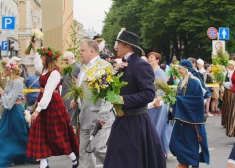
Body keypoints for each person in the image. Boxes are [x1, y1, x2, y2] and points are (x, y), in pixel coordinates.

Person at [104, 30, 166, 168]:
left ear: (127, 46)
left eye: (118, 44)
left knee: (132, 161)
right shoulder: (122, 65)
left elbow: (149, 94)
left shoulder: (140, 65)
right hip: (122, 121)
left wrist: (122, 99)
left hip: (136, 124)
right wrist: (113, 72)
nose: (116, 47)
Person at [26, 45, 79, 168]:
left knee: (57, 134)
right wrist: (35, 48)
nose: (41, 57)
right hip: (42, 102)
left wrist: (37, 111)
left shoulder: (54, 72)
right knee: (42, 134)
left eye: (43, 56)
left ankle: (73, 158)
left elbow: (48, 93)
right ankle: (44, 164)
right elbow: (37, 63)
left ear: (48, 58)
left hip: (52, 104)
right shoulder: (44, 70)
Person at [70, 40, 114, 168]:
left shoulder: (104, 66)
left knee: (98, 148)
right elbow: (82, 89)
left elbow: (109, 94)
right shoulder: (83, 68)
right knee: (84, 152)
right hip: (84, 115)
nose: (80, 53)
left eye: (82, 50)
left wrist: (104, 115)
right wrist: (76, 100)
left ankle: (118, 163)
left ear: (91, 51)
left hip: (99, 116)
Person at [169, 59, 210, 168]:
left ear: (186, 69)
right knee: (176, 144)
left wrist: (177, 101)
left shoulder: (194, 81)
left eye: (180, 68)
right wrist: (173, 105)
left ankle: (188, 164)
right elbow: (180, 98)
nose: (179, 70)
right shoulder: (183, 81)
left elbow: (196, 101)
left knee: (190, 146)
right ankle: (185, 163)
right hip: (182, 118)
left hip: (191, 121)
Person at [0, 59, 30, 167]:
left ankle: (32, 154)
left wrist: (2, 93)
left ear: (10, 70)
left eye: (6, 69)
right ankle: (8, 156)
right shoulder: (9, 81)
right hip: (9, 111)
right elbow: (7, 99)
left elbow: (10, 99)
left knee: (21, 133)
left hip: (15, 110)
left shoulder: (17, 82)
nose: (4, 71)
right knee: (4, 132)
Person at [147, 52, 173, 157]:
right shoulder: (150, 71)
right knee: (155, 126)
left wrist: (158, 99)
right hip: (151, 102)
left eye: (152, 57)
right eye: (149, 57)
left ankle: (160, 151)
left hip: (159, 103)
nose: (149, 59)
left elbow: (161, 87)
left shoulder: (160, 72)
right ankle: (160, 150)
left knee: (158, 126)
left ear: (158, 60)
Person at [61, 51, 81, 121]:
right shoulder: (68, 67)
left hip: (71, 97)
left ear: (72, 58)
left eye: (67, 60)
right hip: (65, 96)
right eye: (64, 60)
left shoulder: (77, 67)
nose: (65, 62)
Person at [222, 60, 235, 128]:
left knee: (231, 108)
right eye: (228, 65)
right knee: (227, 107)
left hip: (231, 91)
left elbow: (231, 85)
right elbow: (229, 83)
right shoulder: (226, 73)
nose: (229, 66)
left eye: (230, 65)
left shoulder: (232, 72)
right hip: (228, 91)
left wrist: (225, 84)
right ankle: (226, 122)